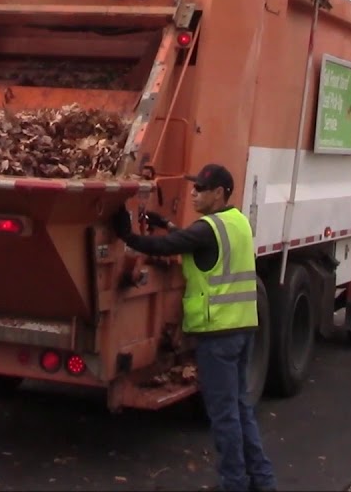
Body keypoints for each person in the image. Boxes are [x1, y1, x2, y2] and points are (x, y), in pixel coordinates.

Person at [111, 163, 277, 492]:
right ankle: (262, 479)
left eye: (201, 189)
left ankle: (234, 483)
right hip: (243, 328)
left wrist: (129, 236)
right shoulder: (238, 222)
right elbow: (193, 241)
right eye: (194, 187)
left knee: (224, 415)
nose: (194, 193)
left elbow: (170, 246)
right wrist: (166, 224)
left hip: (218, 335)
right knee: (240, 408)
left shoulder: (207, 229)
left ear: (219, 193)